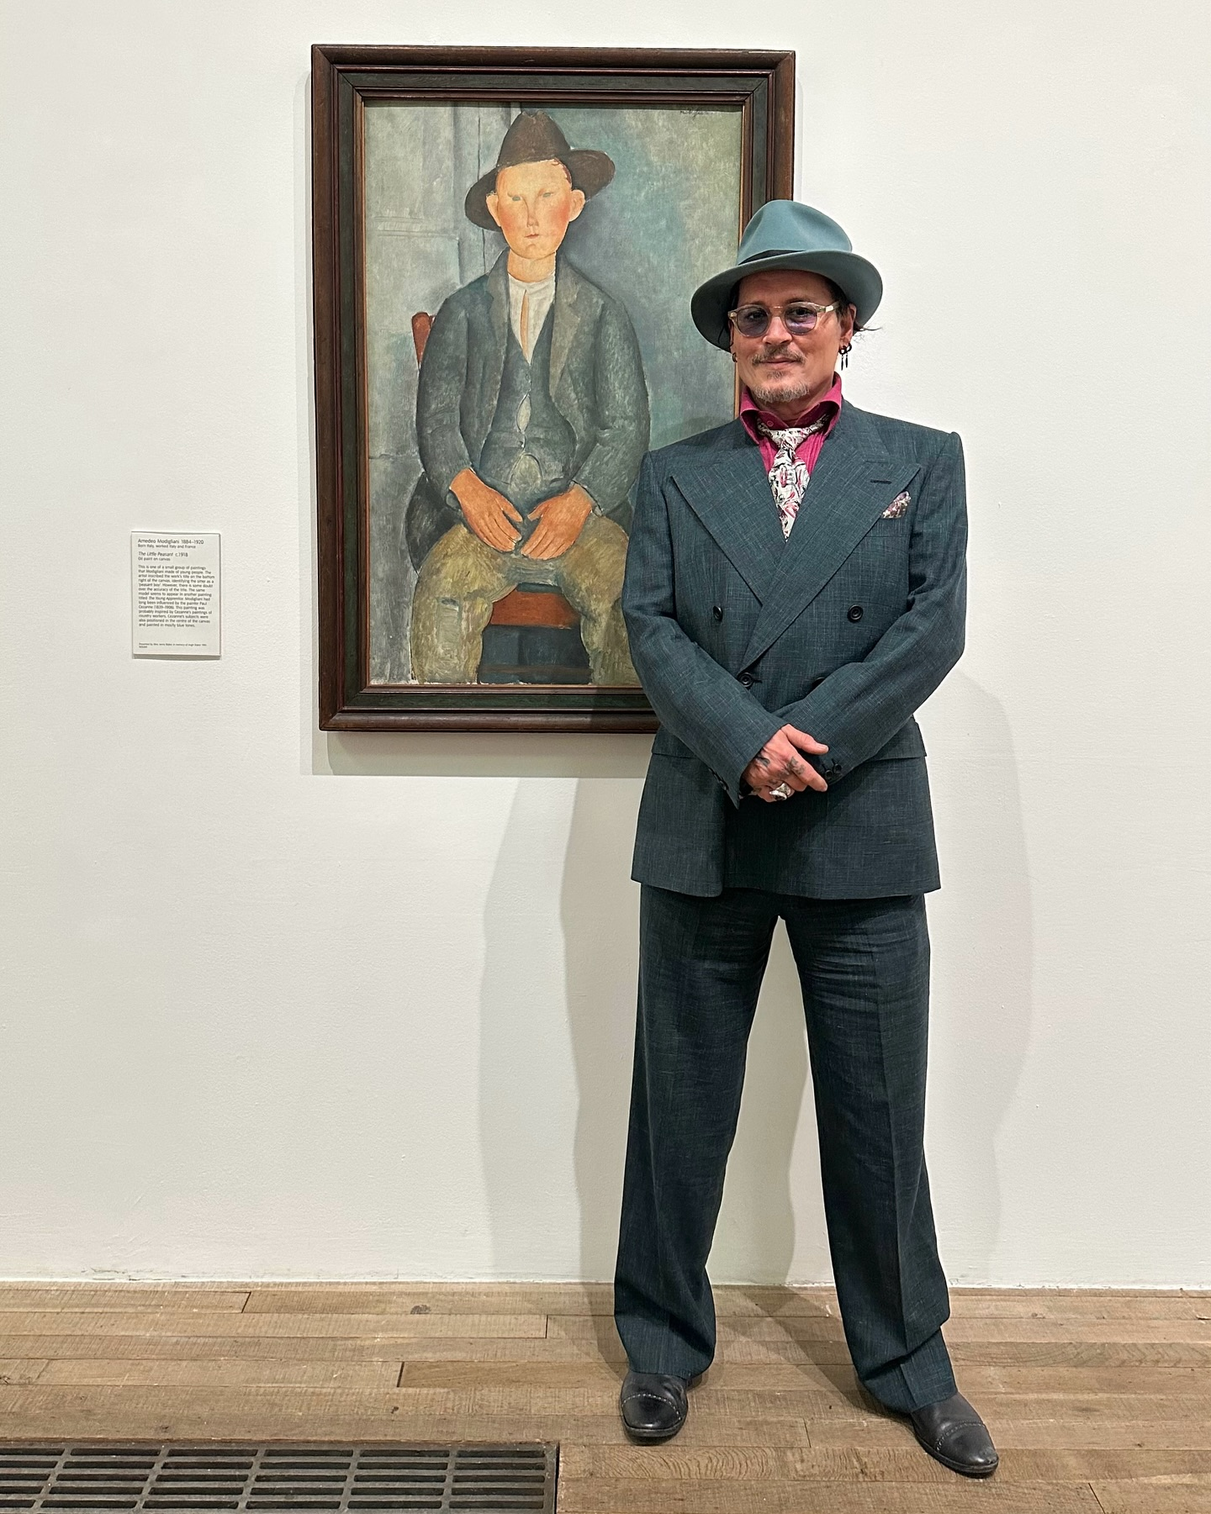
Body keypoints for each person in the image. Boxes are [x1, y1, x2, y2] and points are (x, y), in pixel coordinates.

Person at [612, 199, 998, 1478]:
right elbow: (651, 626)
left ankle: (910, 1364)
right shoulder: (671, 473)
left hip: (858, 813)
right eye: (752, 316)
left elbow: (930, 627)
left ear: (844, 328)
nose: (773, 333)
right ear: (730, 338)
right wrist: (743, 741)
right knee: (677, 1108)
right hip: (707, 814)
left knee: (878, 1113)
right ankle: (661, 1342)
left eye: (798, 312)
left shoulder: (919, 459)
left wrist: (803, 740)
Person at [407, 111, 648, 685]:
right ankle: (438, 728)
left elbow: (627, 427)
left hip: (578, 523)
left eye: (547, 195)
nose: (533, 215)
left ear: (575, 204)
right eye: (516, 198)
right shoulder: (462, 312)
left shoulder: (603, 314)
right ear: (495, 209)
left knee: (626, 598)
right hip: (479, 522)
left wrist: (580, 501)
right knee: (440, 594)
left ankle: (617, 730)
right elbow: (435, 419)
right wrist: (468, 491)